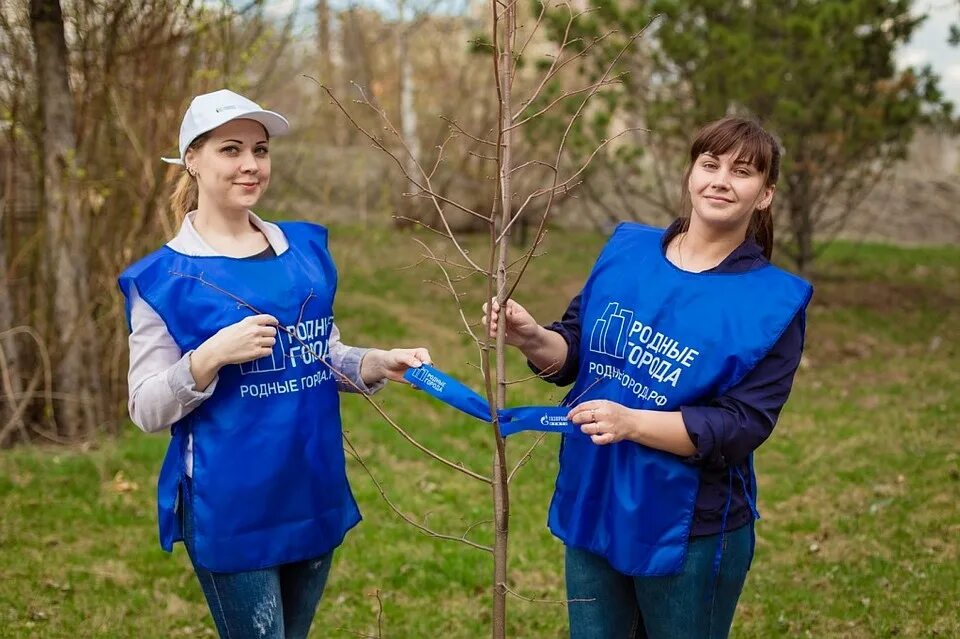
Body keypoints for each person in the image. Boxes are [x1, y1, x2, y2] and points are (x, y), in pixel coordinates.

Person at [118, 89, 431, 639]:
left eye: (260, 151)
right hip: (232, 504)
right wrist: (210, 357)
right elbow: (145, 408)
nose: (250, 165)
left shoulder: (305, 252)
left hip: (312, 487)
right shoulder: (163, 280)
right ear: (192, 158)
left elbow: (321, 356)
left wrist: (379, 363)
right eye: (230, 149)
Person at [484, 117, 812, 638]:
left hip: (689, 528)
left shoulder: (773, 303)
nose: (721, 180)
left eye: (742, 171)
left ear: (765, 194)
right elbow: (574, 354)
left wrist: (633, 423)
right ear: (690, 175)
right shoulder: (628, 252)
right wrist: (529, 338)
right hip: (595, 498)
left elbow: (740, 427)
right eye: (710, 165)